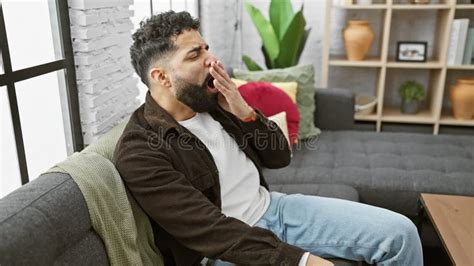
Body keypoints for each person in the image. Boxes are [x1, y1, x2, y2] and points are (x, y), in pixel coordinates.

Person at [113, 10, 423, 266]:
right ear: (161, 77)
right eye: (196, 54)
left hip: (274, 209)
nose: (212, 60)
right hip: (223, 252)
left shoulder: (212, 102)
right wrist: (302, 261)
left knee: (400, 234)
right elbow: (210, 231)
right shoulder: (140, 149)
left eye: (207, 48)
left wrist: (245, 112)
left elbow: (280, 157)